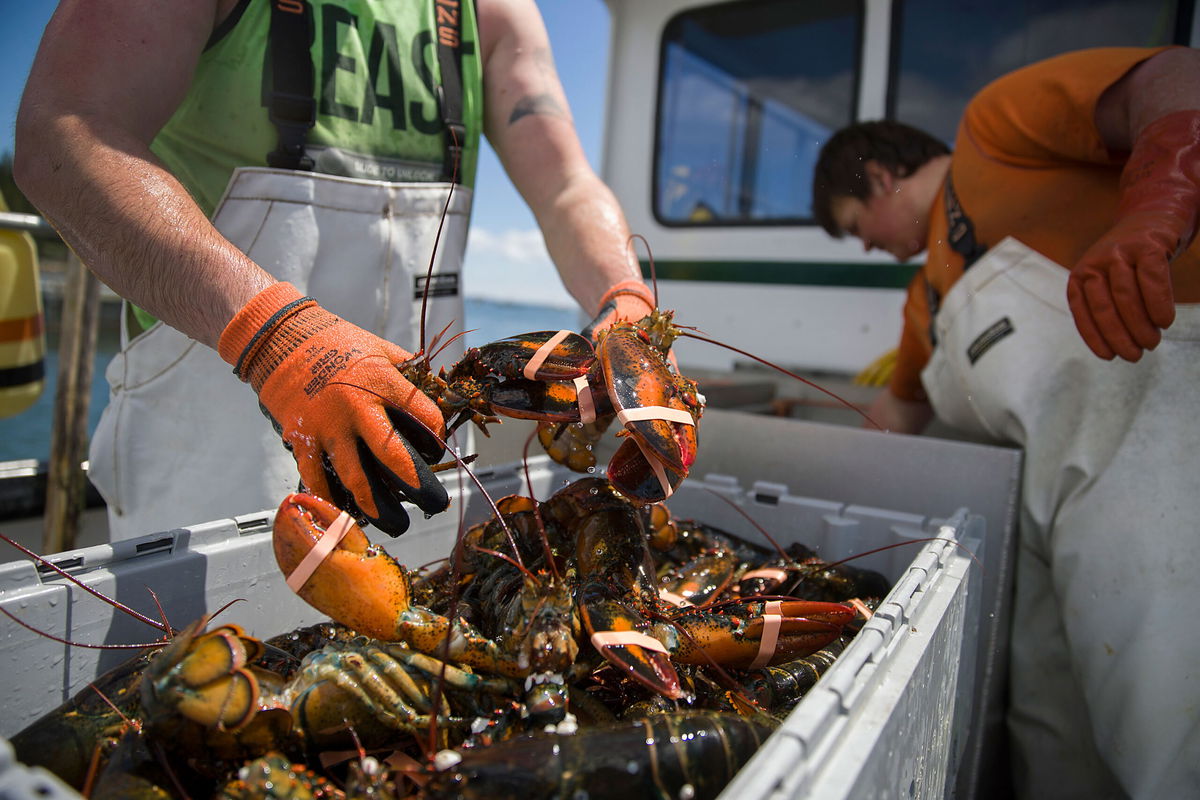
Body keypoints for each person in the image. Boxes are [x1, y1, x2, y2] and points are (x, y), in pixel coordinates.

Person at [14, 0, 656, 541]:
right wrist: (275, 336)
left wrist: (625, 296)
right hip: (208, 445)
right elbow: (63, 130)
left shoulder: (489, 10)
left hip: (415, 455)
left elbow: (567, 186)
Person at [812, 47, 1200, 799]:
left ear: (883, 177)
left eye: (855, 222)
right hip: (1052, 528)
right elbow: (895, 414)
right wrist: (796, 432)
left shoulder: (995, 129)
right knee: (1051, 737)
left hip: (1163, 467)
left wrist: (1159, 206)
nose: (863, 245)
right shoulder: (924, 299)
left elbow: (1175, 75)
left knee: (1168, 733)